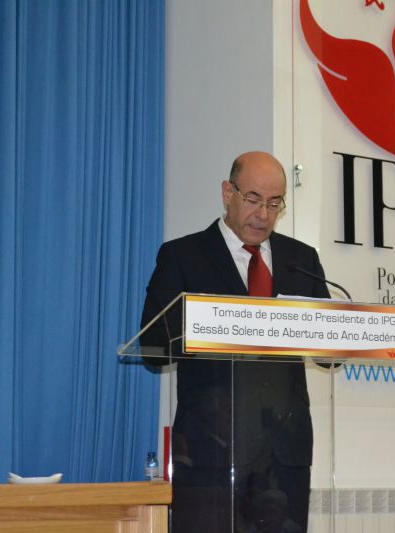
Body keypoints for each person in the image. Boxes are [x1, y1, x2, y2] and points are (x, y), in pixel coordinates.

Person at [140, 151, 330, 532]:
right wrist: (216, 326)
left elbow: (329, 353)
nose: (264, 214)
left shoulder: (301, 259)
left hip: (284, 457)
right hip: (210, 453)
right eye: (253, 199)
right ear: (228, 193)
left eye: (274, 203)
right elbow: (153, 346)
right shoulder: (183, 256)